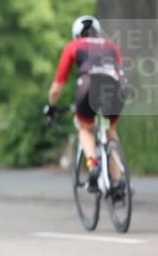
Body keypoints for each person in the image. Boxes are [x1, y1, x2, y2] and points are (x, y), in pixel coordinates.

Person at [44, 15, 127, 196]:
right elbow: (119, 69)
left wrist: (51, 106)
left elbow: (57, 87)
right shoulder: (111, 45)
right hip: (116, 86)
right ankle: (119, 181)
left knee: (85, 128)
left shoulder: (74, 46)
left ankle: (93, 165)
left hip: (89, 85)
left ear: (77, 34)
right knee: (111, 130)